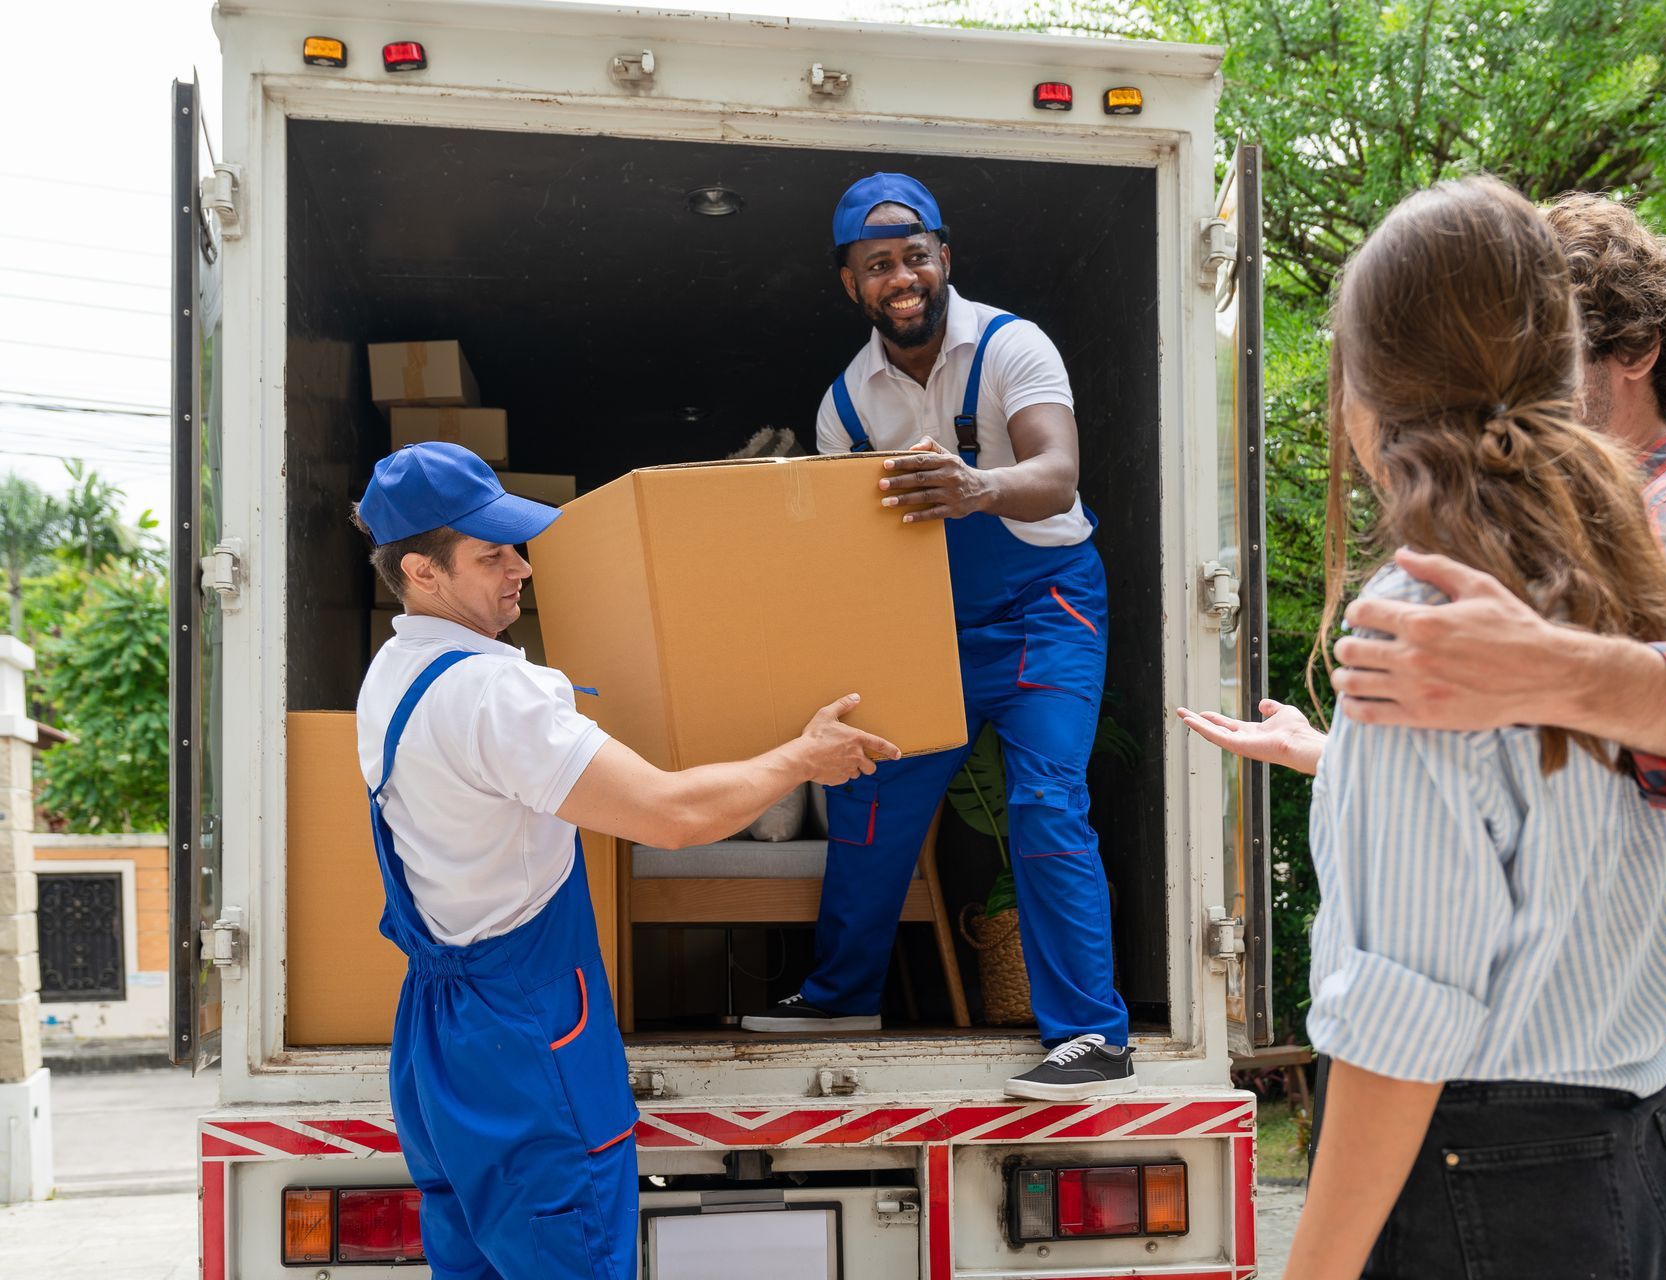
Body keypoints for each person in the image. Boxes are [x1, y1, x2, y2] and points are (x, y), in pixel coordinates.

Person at [1184, 193, 1666, 1278]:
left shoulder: (1427, 618)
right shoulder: (1642, 589)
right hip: (1650, 1160)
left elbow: (1403, 1023)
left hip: (1487, 1184)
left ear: (1371, 386)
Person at [352, 442, 898, 1279]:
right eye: (491, 555)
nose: (521, 569)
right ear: (423, 573)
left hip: (441, 1039)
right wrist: (801, 758)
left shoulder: (394, 675)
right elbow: (671, 817)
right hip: (529, 1035)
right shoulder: (494, 693)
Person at [737, 172, 1134, 1102]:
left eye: (916, 255)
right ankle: (842, 998)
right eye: (879, 264)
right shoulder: (846, 404)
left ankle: (1091, 1036)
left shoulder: (1010, 346)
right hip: (930, 626)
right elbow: (852, 546)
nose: (902, 275)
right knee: (868, 792)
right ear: (853, 284)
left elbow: (1059, 474)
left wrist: (978, 487)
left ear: (944, 258)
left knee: (1045, 803)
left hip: (1048, 609)